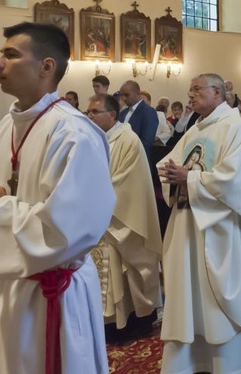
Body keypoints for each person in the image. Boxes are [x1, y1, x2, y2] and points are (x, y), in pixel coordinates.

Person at [0, 22, 115, 373]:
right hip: (14, 287)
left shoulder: (75, 134)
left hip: (58, 292)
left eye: (10, 54)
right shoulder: (0, 133)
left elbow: (75, 229)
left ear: (46, 67)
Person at [157, 73, 241, 374]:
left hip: (223, 232)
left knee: (216, 300)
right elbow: (167, 165)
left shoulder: (235, 128)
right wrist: (175, 175)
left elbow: (237, 181)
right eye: (190, 89)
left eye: (197, 89)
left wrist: (191, 178)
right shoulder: (195, 129)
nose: (191, 94)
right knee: (189, 296)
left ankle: (230, 364)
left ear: (218, 92)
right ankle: (193, 362)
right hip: (189, 225)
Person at [86, 94, 163, 343]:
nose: (89, 117)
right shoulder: (93, 139)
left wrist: (93, 195)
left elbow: (127, 181)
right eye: (88, 112)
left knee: (128, 268)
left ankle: (136, 320)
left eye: (94, 112)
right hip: (99, 215)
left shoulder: (127, 139)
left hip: (124, 215)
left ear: (111, 115)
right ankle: (110, 322)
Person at [119, 80, 159, 155]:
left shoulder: (149, 112)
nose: (123, 98)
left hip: (137, 159)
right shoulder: (123, 113)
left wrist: (127, 155)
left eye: (126, 95)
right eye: (121, 95)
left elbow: (146, 142)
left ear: (137, 93)